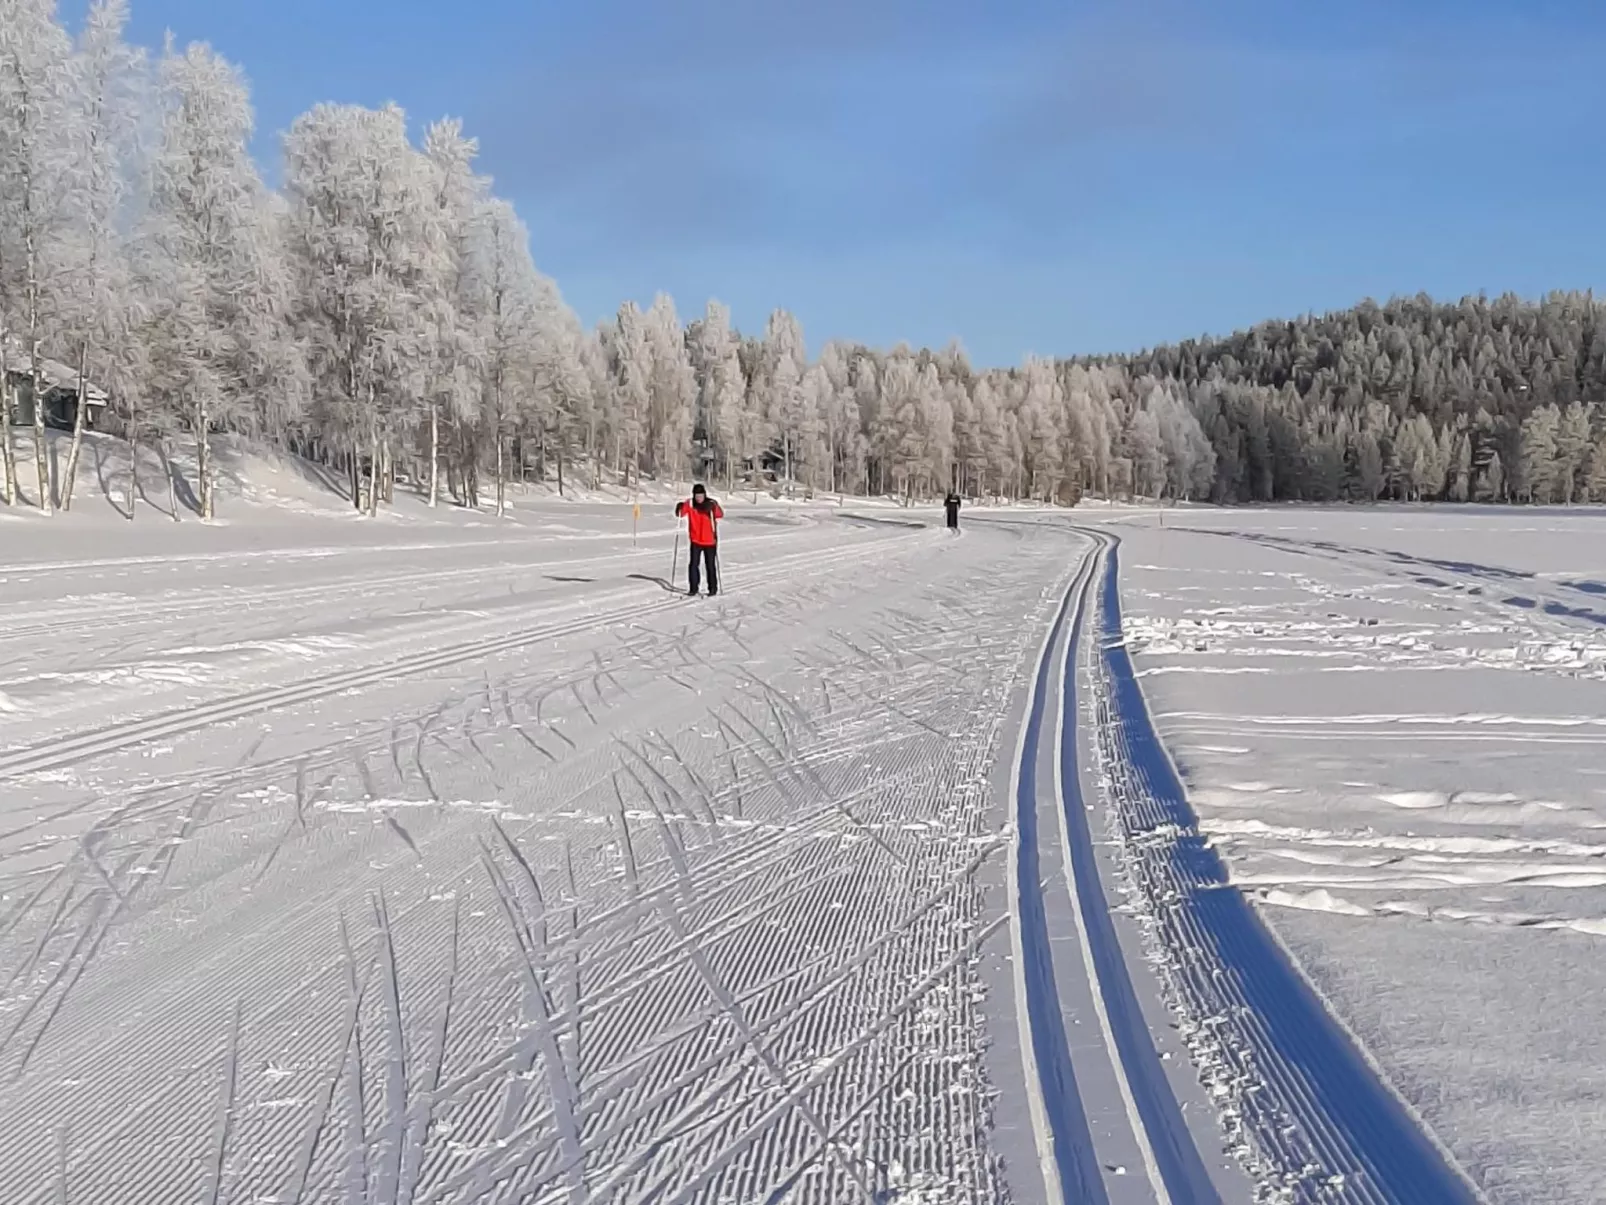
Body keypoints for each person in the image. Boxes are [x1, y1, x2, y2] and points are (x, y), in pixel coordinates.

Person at [674, 483, 723, 596]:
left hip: (710, 540)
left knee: (710, 565)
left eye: (701, 496)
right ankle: (693, 588)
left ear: (704, 495)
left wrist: (714, 507)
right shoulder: (690, 504)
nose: (699, 498)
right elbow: (681, 514)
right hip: (696, 540)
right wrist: (679, 508)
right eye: (697, 496)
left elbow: (720, 514)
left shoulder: (710, 504)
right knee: (693, 564)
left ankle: (712, 588)